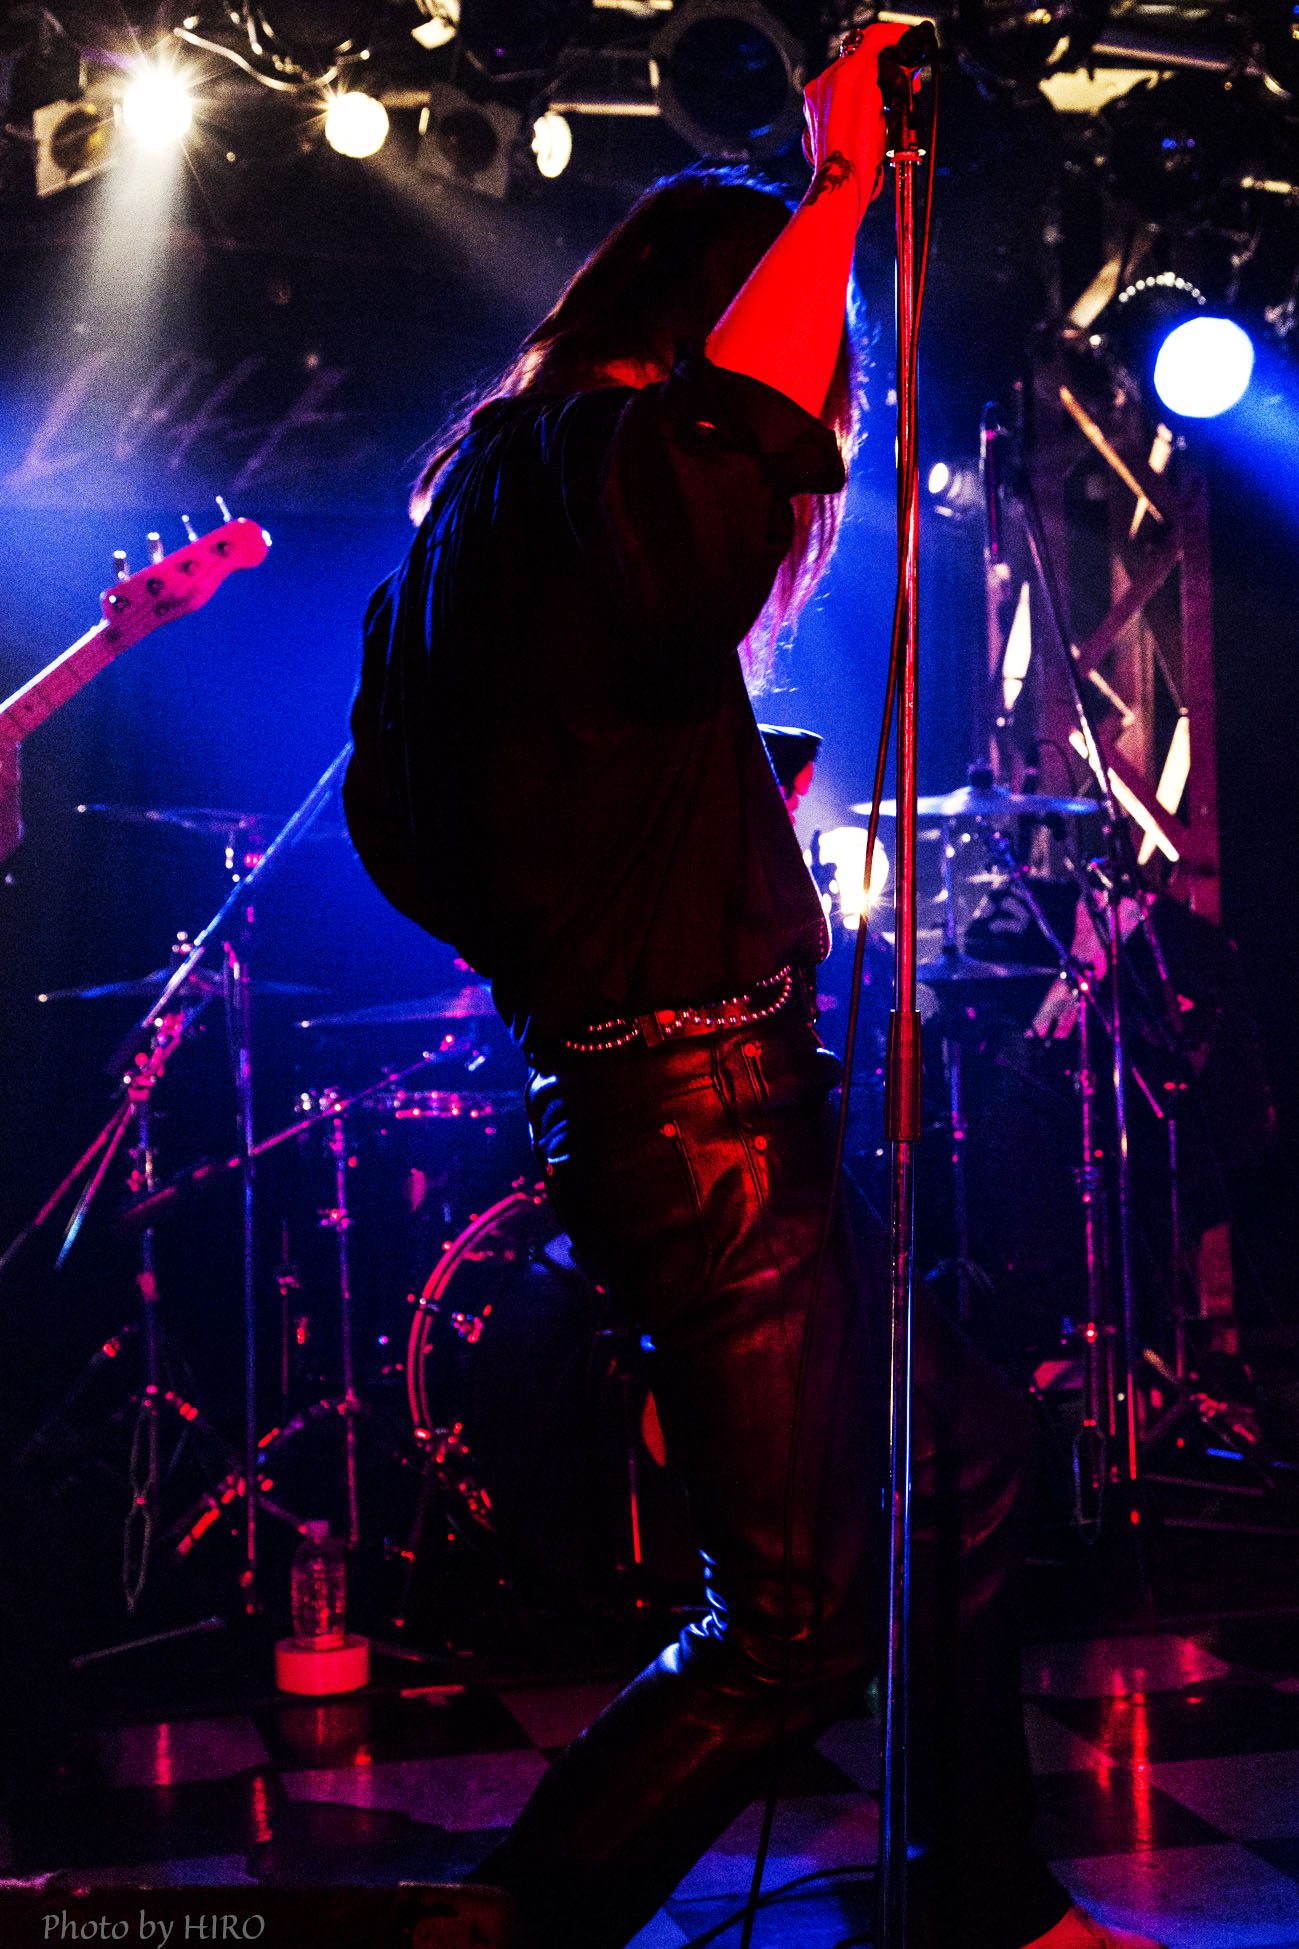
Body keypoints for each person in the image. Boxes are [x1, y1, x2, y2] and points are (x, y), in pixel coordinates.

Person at [344, 26, 1170, 1949]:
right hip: (696, 1115)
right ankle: (508, 1924)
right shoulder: (591, 468)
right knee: (787, 1630)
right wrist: (842, 187)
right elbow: (726, 450)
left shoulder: (483, 522)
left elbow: (408, 832)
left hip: (681, 1106)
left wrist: (621, 873)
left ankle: (985, 1900)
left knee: (966, 1464)